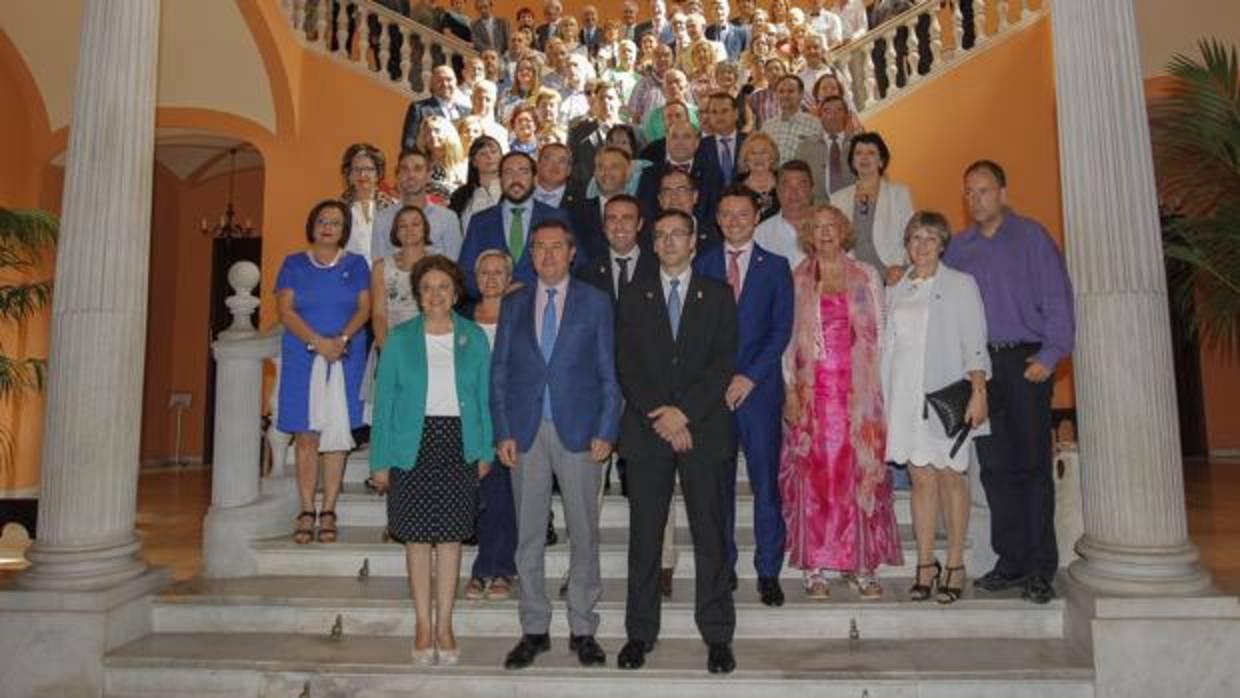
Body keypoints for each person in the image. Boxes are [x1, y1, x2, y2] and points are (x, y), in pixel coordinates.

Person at [943, 160, 1075, 605]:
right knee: (995, 471)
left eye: (983, 190)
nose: (975, 199)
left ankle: (1040, 568)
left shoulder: (1032, 238)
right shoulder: (958, 250)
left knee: (1032, 468)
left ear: (1002, 191)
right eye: (969, 193)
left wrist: (1050, 354)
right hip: (981, 372)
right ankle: (1011, 560)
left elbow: (1058, 297)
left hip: (1025, 364)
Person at [492, 221, 622, 670]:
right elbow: (500, 373)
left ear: (571, 253)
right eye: (539, 248)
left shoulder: (596, 302)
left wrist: (608, 428)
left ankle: (583, 627)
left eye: (555, 248)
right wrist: (503, 430)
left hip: (581, 431)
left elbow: (610, 371)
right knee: (528, 536)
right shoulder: (514, 304)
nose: (547, 256)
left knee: (583, 533)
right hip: (526, 433)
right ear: (530, 255)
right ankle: (534, 628)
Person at [615, 209, 738, 674]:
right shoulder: (632, 296)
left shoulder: (719, 295)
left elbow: (722, 362)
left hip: (702, 430)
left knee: (710, 536)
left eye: (677, 235)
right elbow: (627, 364)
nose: (668, 242)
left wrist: (684, 413)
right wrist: (663, 416)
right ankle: (639, 634)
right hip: (648, 433)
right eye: (661, 235)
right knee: (645, 539)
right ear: (652, 243)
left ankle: (718, 635)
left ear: (693, 243)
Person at [370, 255, 492, 666]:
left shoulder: (473, 337)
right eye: (427, 288)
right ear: (418, 295)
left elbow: (483, 398)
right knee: (418, 540)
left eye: (443, 287)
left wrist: (485, 448)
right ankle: (423, 625)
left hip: (458, 442)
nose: (436, 294)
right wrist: (380, 460)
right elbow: (385, 401)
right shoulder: (400, 338)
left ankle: (446, 625)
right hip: (412, 445)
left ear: (455, 293)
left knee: (452, 539)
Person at [780, 203, 903, 600]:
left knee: (857, 477)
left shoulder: (867, 275)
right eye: (817, 227)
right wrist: (788, 392)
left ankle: (860, 565)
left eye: (832, 226)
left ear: (844, 230)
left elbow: (882, 338)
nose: (825, 232)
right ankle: (815, 568)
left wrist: (878, 396)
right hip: (812, 396)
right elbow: (786, 345)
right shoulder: (796, 279)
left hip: (860, 398)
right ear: (808, 235)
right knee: (817, 480)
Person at [881, 211, 991, 605]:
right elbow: (886, 346)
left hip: (946, 396)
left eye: (930, 238)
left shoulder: (960, 284)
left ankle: (956, 563)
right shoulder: (897, 288)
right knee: (921, 479)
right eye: (914, 238)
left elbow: (975, 339)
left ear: (942, 244)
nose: (921, 246)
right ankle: (925, 565)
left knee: (951, 478)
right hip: (904, 396)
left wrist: (979, 391)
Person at [693, 185, 794, 607]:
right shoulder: (702, 264)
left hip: (759, 392)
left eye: (742, 214)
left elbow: (780, 330)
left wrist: (749, 377)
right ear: (717, 219)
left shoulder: (776, 267)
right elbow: (695, 332)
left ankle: (769, 570)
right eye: (727, 214)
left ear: (756, 219)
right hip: (713, 396)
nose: (734, 221)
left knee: (766, 485)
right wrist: (717, 380)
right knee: (718, 487)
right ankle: (725, 567)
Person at [276, 200, 372, 546]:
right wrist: (317, 342)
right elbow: (285, 311)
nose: (327, 227)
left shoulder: (358, 264)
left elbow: (365, 308)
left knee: (337, 432)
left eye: (334, 222)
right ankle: (305, 508)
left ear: (344, 229)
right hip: (304, 355)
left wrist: (341, 340)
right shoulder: (293, 264)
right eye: (321, 221)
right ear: (311, 225)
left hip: (346, 355)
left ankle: (329, 508)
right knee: (306, 435)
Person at [463, 250, 519, 601]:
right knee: (479, 494)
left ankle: (497, 568)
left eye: (499, 272)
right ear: (476, 276)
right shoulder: (461, 316)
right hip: (470, 416)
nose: (492, 278)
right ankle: (488, 564)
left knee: (504, 495)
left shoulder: (522, 313)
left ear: (509, 277)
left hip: (510, 417)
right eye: (485, 272)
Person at [459, 151, 572, 298]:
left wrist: (534, 289)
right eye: (508, 172)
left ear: (535, 179)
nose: (516, 178)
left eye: (523, 172)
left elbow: (574, 267)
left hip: (545, 307)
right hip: (494, 313)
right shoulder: (480, 221)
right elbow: (465, 274)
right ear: (500, 179)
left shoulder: (557, 217)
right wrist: (494, 290)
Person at [830, 131, 915, 284]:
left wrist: (903, 268)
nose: (864, 157)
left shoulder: (899, 194)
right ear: (852, 162)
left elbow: (910, 236)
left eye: (871, 152)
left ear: (881, 160)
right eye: (858, 153)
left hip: (892, 276)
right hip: (854, 280)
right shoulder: (837, 199)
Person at [373, 150, 464, 262]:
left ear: (428, 175)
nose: (411, 175)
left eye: (418, 169)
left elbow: (454, 268)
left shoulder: (448, 219)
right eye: (405, 169)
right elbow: (378, 267)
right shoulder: (383, 219)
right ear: (398, 175)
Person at [370, 206, 429, 348]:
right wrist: (386, 350)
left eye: (415, 224)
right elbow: (378, 315)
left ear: (425, 229)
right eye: (403, 225)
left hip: (428, 341)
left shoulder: (438, 264)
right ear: (395, 232)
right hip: (391, 341)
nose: (409, 229)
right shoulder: (381, 267)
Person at [570, 147, 634, 262]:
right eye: (601, 167)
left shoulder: (644, 212)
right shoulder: (575, 212)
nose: (606, 172)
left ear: (628, 173)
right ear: (594, 173)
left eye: (614, 167)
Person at [339, 143, 399, 263]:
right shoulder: (338, 211)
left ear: (378, 174)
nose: (362, 175)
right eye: (357, 169)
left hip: (386, 276)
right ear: (349, 175)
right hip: (351, 277)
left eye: (369, 169)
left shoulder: (394, 208)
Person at [567, 82, 625, 195]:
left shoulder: (633, 133)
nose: (606, 102)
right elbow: (571, 166)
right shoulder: (578, 132)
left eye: (610, 98)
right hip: (588, 197)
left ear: (620, 102)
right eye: (601, 98)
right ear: (595, 103)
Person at [755, 159, 814, 269]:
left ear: (811, 190)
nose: (794, 192)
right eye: (787, 185)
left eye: (801, 185)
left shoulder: (831, 227)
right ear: (777, 191)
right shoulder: (761, 234)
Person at [794, 95, 855, 201]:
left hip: (853, 207)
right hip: (818, 209)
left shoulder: (858, 145)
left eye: (839, 110)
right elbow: (797, 179)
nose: (833, 115)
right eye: (827, 111)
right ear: (820, 116)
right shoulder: (805, 147)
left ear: (846, 115)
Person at [401, 65, 471, 153]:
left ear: (456, 82)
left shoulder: (468, 112)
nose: (445, 84)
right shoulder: (419, 108)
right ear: (432, 85)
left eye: (449, 79)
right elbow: (409, 142)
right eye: (439, 80)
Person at [449, 136, 505, 234]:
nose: (489, 157)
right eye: (483, 154)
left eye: (494, 152)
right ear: (474, 162)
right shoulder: (461, 196)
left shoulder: (511, 190)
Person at [762, 75, 820, 165]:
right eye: (781, 91)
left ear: (801, 95)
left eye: (791, 91)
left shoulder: (815, 125)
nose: (785, 95)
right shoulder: (767, 127)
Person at [415, 115, 469, 200]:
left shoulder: (463, 165)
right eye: (427, 132)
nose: (432, 135)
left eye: (437, 131)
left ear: (448, 134)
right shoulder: (418, 164)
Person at [736, 132, 782, 221]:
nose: (758, 158)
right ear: (746, 159)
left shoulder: (784, 182)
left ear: (772, 157)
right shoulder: (737, 187)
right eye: (753, 153)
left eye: (763, 152)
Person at [498, 57, 543, 127]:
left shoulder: (541, 94)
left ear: (535, 72)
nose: (524, 72)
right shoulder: (507, 93)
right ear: (516, 73)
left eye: (528, 69)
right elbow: (500, 118)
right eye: (520, 69)